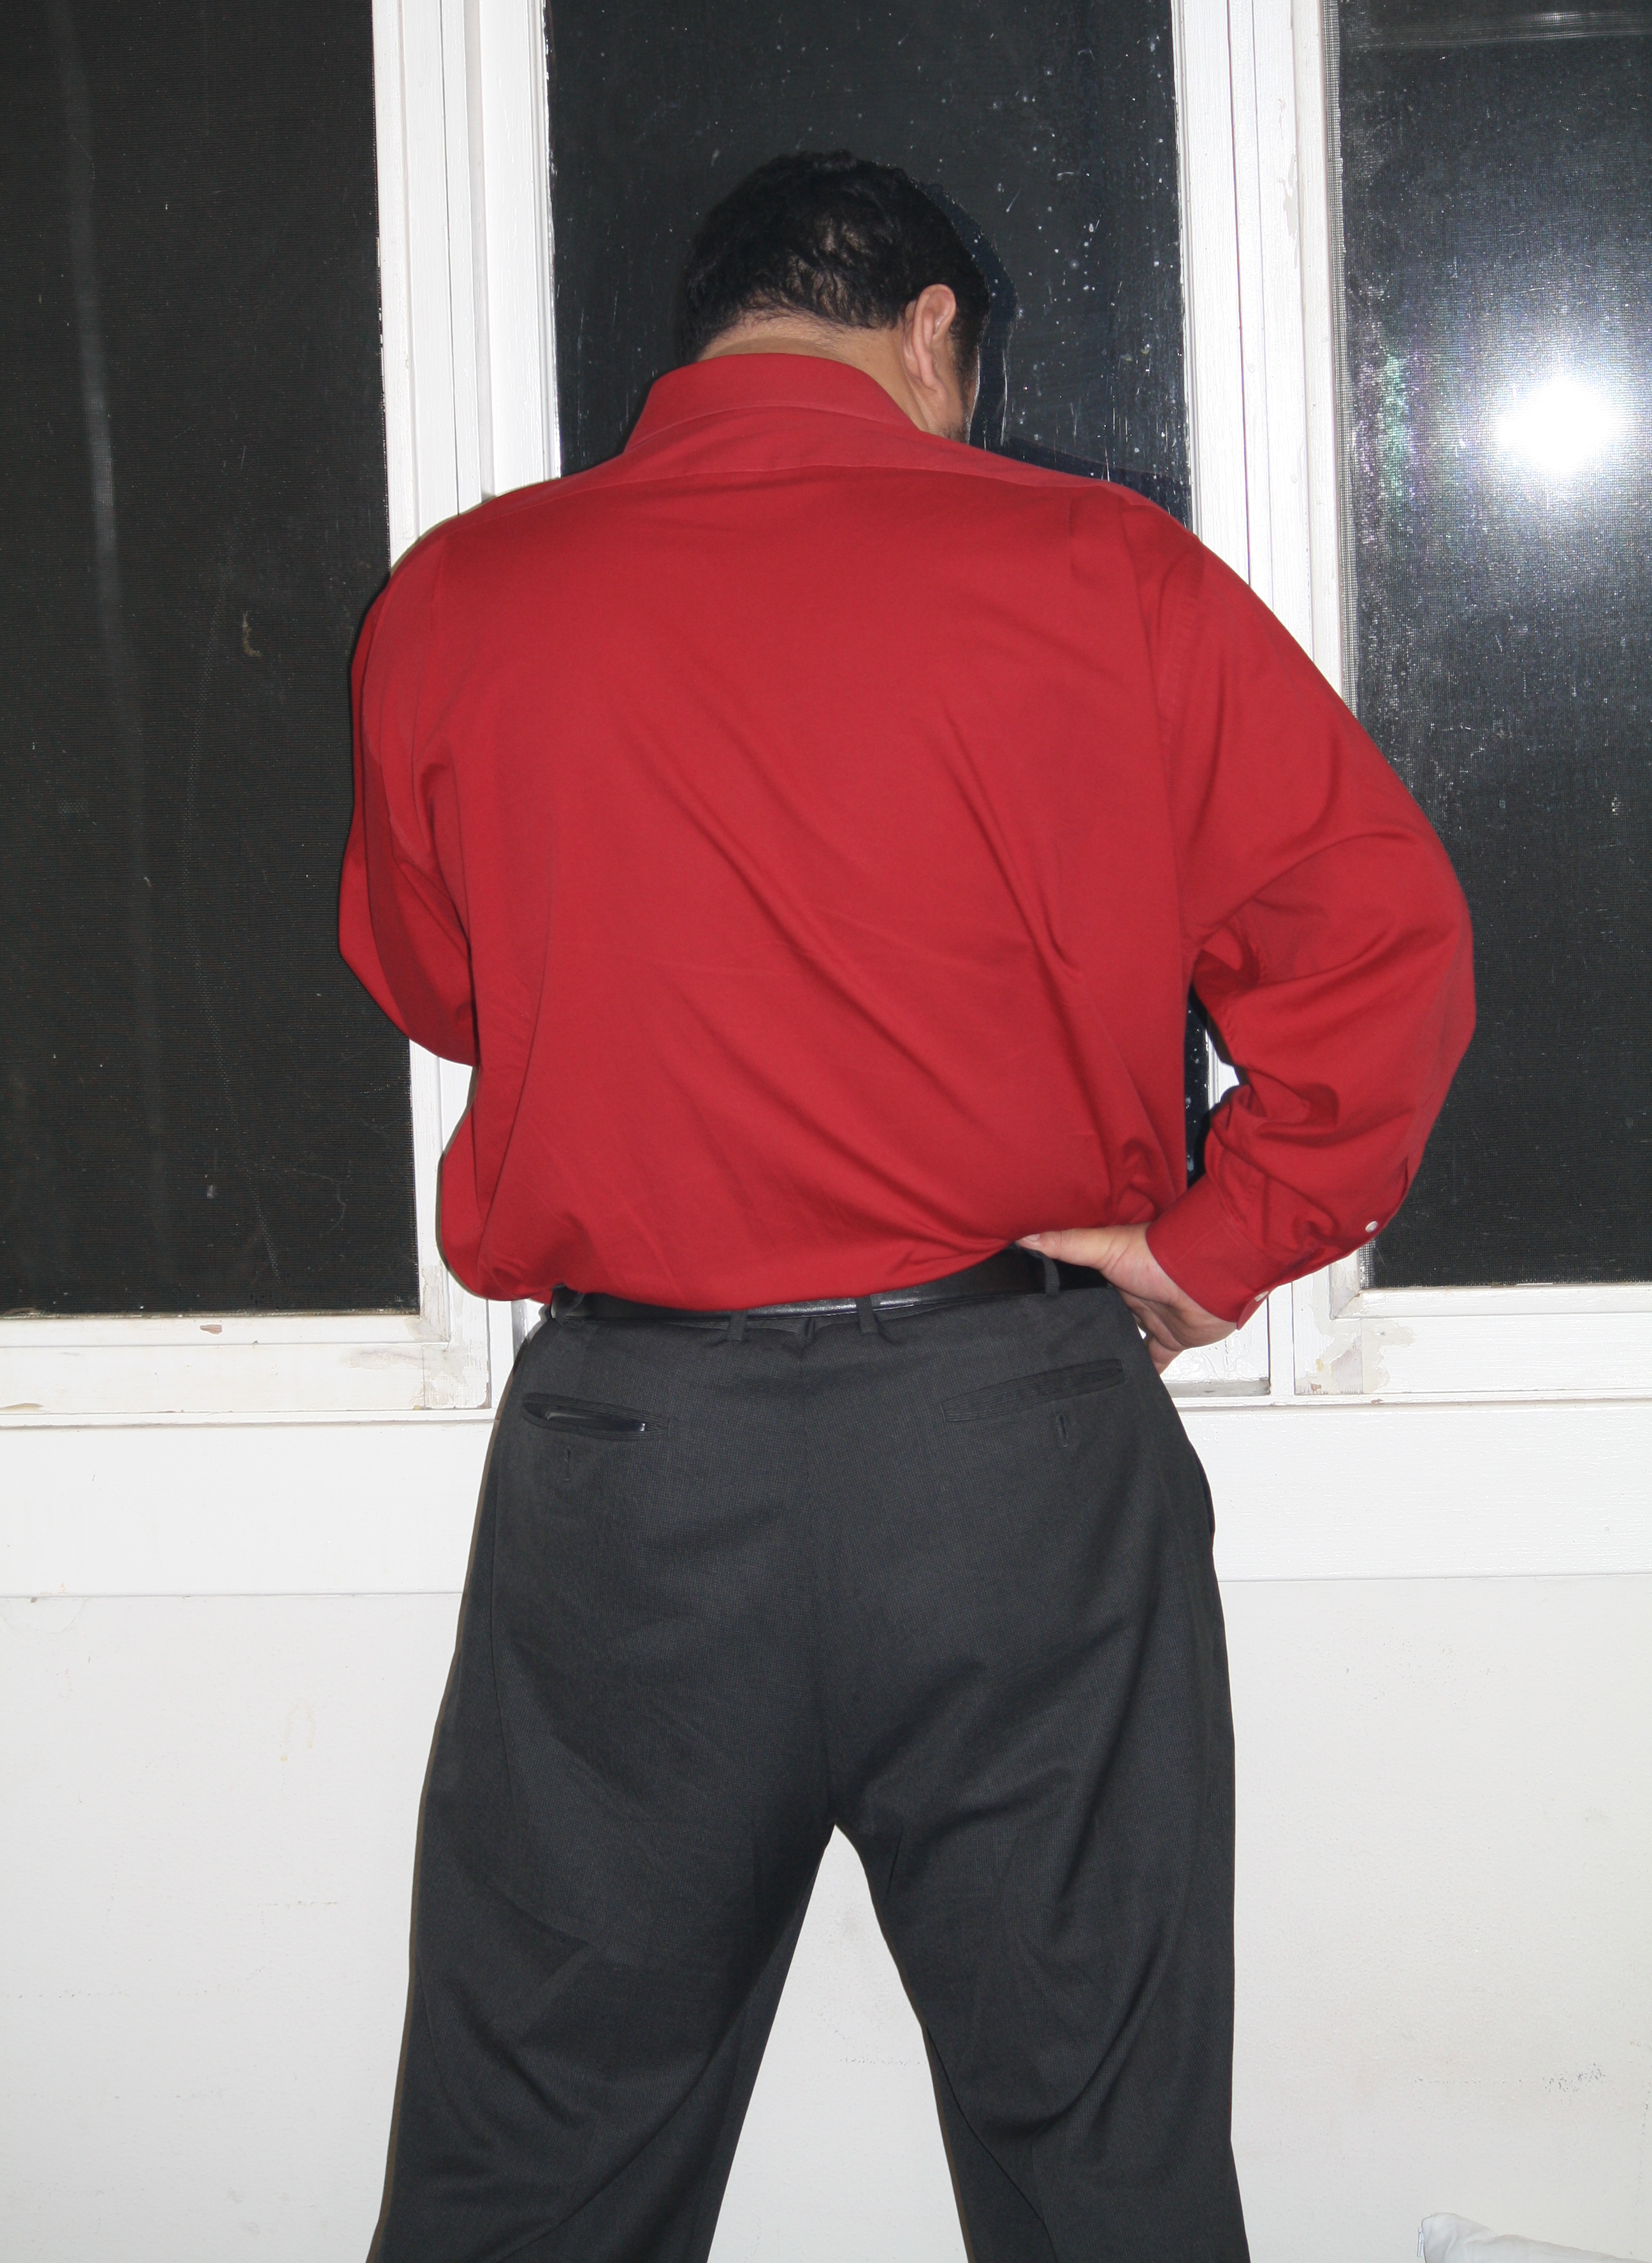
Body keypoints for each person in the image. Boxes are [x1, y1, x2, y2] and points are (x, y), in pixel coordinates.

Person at [341, 150, 1473, 2262]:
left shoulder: (465, 597)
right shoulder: (1104, 573)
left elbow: (436, 984)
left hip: (638, 1468)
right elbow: (1379, 952)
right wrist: (1222, 1245)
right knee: (1104, 2161)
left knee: (537, 2166)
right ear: (933, 330)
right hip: (1009, 1449)